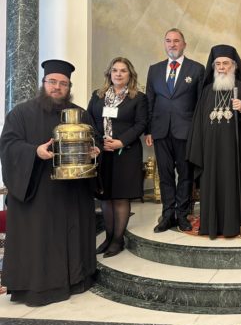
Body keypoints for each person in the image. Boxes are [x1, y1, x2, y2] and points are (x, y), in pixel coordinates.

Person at [0, 59, 100, 306]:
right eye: (52, 82)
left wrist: (94, 152)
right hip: (39, 193)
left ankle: (76, 281)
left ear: (69, 87)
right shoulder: (21, 113)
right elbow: (9, 146)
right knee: (41, 240)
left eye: (63, 83)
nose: (57, 87)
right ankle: (38, 288)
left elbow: (92, 142)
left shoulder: (81, 114)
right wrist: (34, 151)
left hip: (72, 193)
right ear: (43, 83)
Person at [187, 45, 241, 239]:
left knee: (231, 184)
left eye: (225, 63)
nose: (221, 68)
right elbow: (198, 123)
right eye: (217, 64)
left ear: (234, 66)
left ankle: (233, 225)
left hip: (234, 150)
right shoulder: (206, 92)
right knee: (210, 185)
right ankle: (210, 225)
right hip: (210, 151)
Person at [146, 28, 205, 233]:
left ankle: (182, 214)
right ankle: (167, 214)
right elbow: (149, 102)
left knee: (186, 175)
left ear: (184, 44)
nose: (172, 44)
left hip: (186, 132)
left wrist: (198, 132)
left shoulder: (196, 69)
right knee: (165, 175)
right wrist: (149, 130)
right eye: (168, 41)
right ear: (164, 44)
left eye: (176, 41)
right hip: (160, 131)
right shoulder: (154, 70)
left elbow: (200, 104)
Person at [88, 57, 148, 257]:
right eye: (115, 70)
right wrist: (99, 142)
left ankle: (118, 240)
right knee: (106, 197)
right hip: (103, 152)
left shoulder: (138, 98)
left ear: (130, 75)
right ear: (109, 73)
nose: (119, 74)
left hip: (126, 152)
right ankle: (108, 237)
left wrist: (121, 142)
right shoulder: (97, 95)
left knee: (121, 196)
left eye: (123, 70)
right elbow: (90, 120)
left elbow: (141, 124)